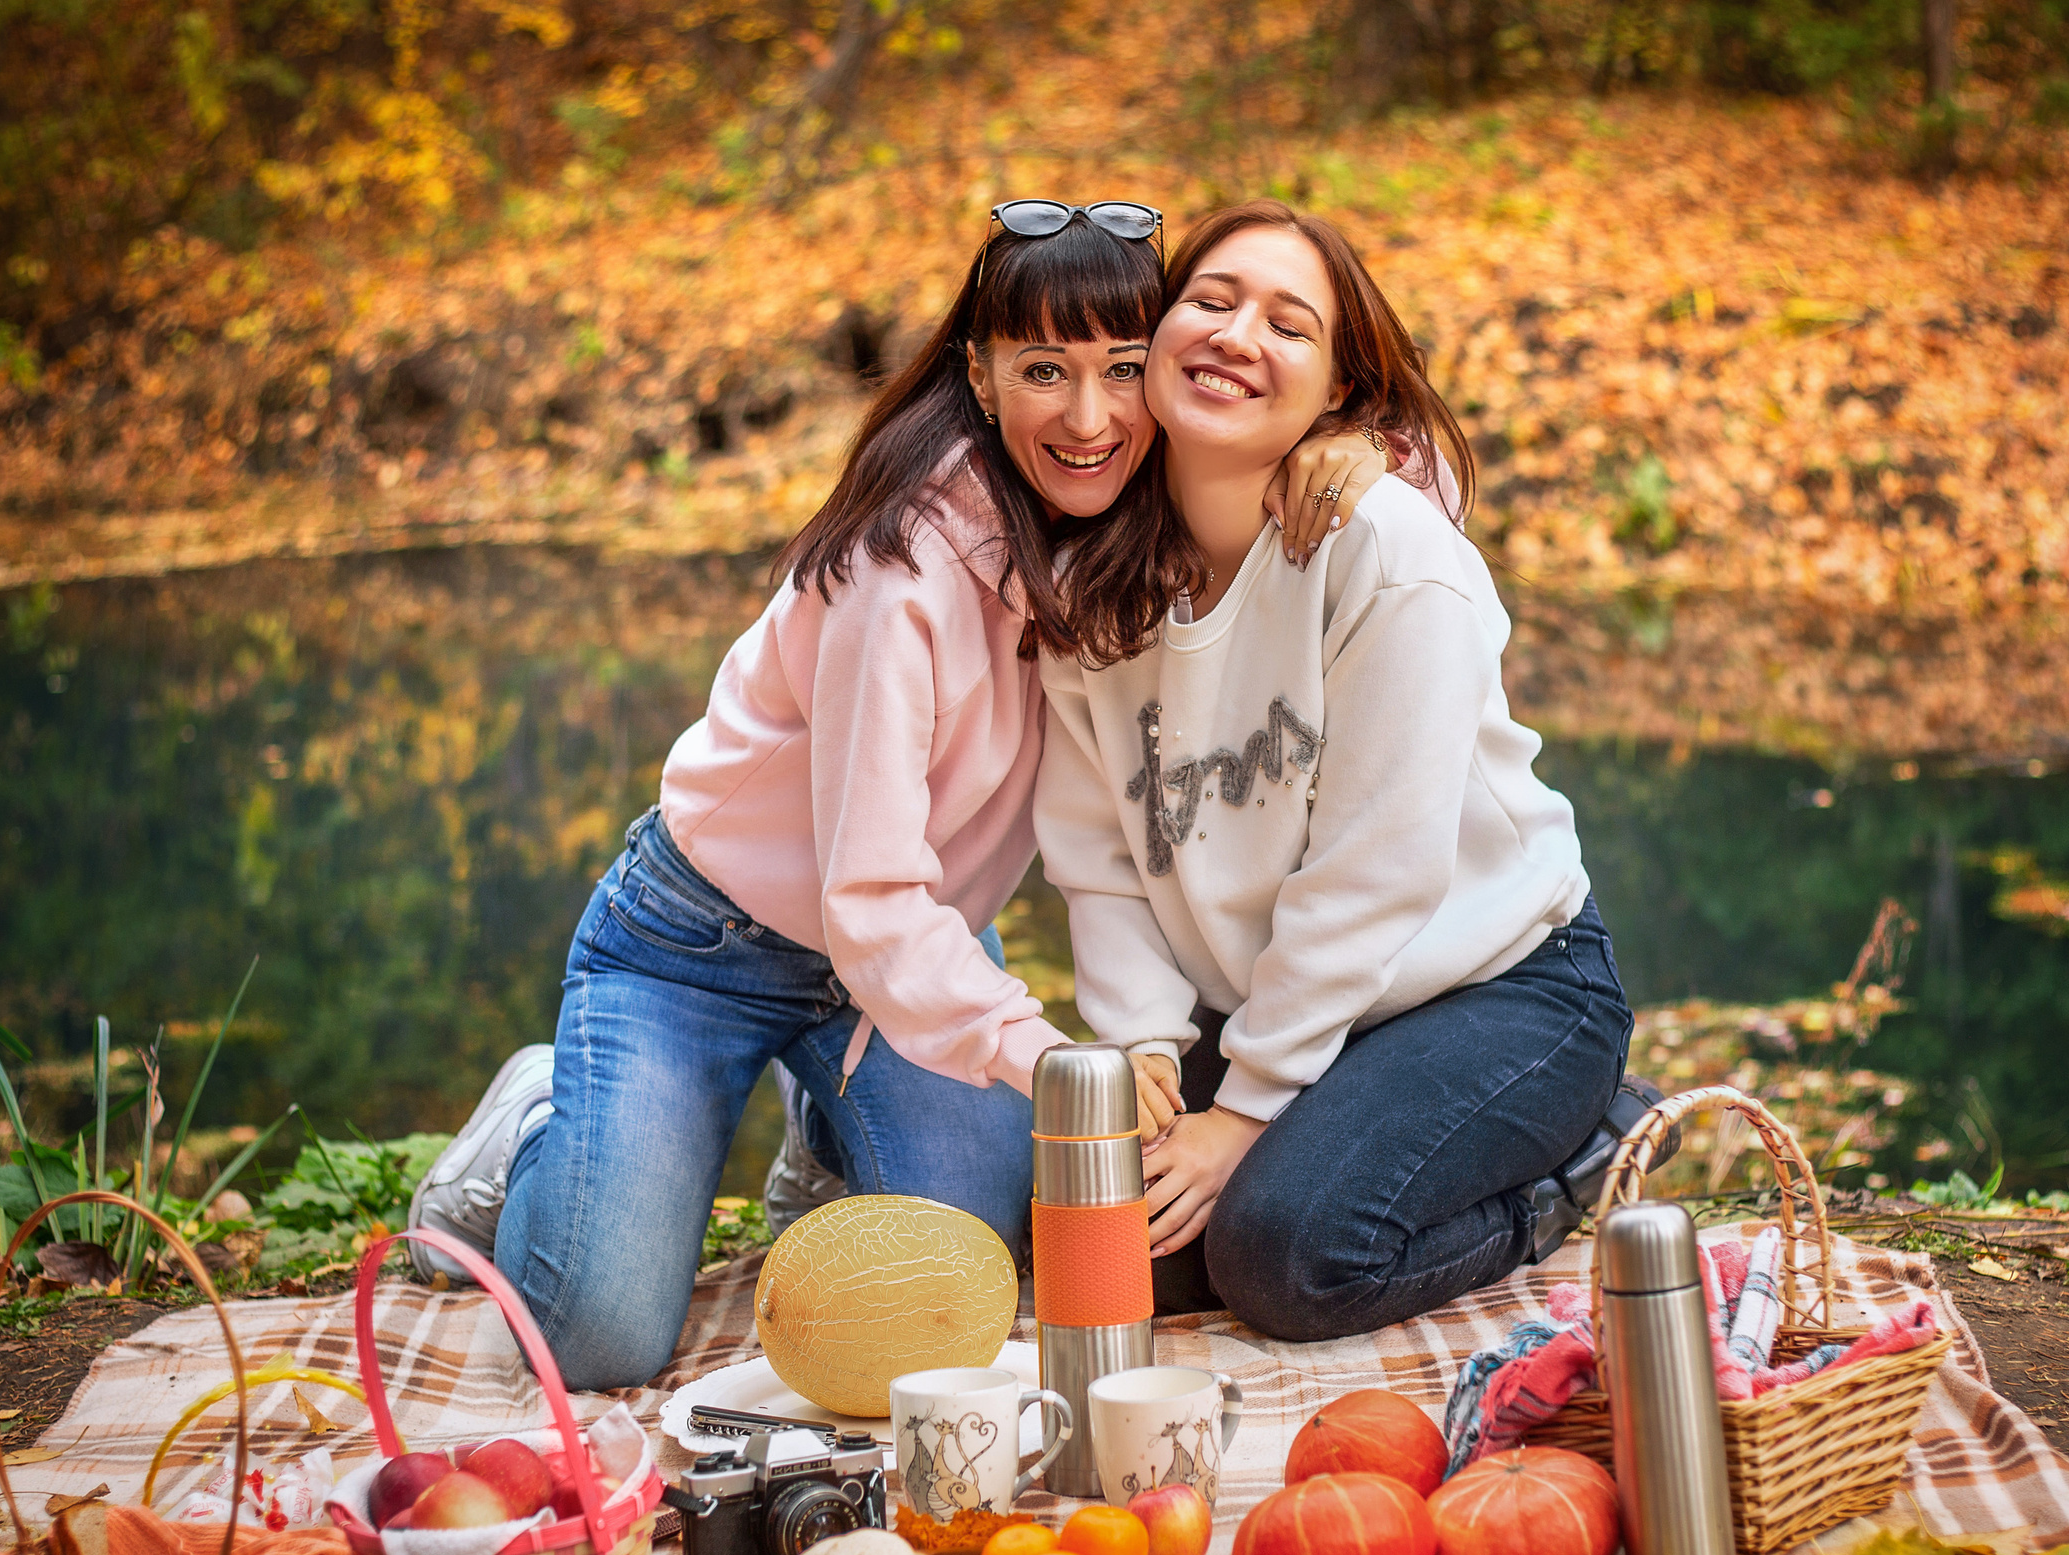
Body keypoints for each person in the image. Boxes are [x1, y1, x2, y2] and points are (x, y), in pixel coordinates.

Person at [410, 201, 1399, 1391]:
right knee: (594, 1337)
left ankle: (825, 1132)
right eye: (1043, 369)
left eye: (1122, 370)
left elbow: (1370, 487)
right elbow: (866, 898)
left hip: (907, 957)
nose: (1088, 418)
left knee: (971, 1258)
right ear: (979, 377)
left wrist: (1358, 451)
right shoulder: (904, 564)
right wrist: (1044, 1057)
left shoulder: (1133, 504)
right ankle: (531, 1128)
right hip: (701, 943)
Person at [1034, 200, 1639, 1343]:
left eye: (1288, 324)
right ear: (1152, 339)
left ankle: (1585, 1153)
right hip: (1298, 1005)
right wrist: (1147, 1055)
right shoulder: (1088, 586)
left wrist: (1247, 1110)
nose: (1234, 334)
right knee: (1118, 1245)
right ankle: (1297, 1130)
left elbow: (1375, 871)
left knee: (1284, 1258)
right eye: (1207, 302)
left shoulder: (1387, 556)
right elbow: (1098, 862)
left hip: (1495, 987)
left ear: (1340, 398)